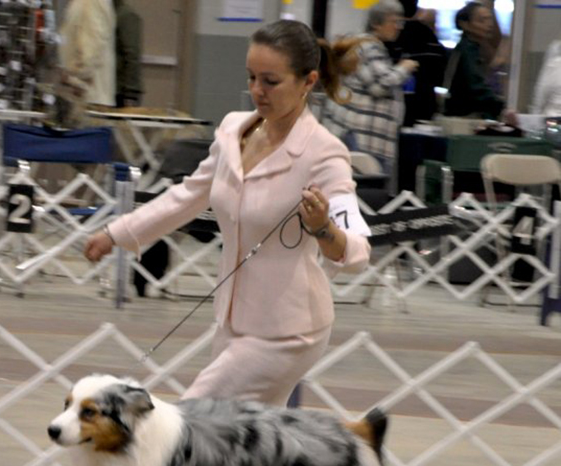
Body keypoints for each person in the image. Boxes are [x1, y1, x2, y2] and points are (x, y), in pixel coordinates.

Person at [85, 19, 372, 409]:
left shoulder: (325, 152)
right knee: (245, 441)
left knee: (193, 421)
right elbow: (186, 197)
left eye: (271, 81)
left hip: (288, 331)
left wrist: (323, 229)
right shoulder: (233, 130)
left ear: (308, 81)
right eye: (252, 77)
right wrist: (117, 233)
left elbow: (357, 253)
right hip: (232, 322)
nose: (257, 90)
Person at [321, 1, 418, 175]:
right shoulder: (369, 47)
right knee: (366, 187)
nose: (399, 27)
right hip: (362, 139)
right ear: (376, 23)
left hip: (358, 136)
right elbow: (380, 86)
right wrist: (404, 67)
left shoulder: (363, 45)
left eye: (401, 22)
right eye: (394, 21)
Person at [389, 0, 447, 126]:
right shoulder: (427, 35)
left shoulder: (389, 37)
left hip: (392, 107)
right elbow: (441, 74)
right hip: (424, 106)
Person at [444, 2, 505, 119]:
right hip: (464, 117)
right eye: (482, 20)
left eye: (490, 19)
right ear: (465, 24)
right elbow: (476, 87)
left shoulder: (473, 49)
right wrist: (502, 107)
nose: (489, 25)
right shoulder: (467, 51)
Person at [59, 0, 116, 107]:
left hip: (88, 97)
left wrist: (74, 76)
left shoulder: (92, 2)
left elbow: (92, 48)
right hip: (79, 95)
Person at [113, 0, 143, 107]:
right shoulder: (105, 14)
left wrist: (131, 92)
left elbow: (132, 55)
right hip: (108, 87)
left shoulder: (125, 15)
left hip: (120, 90)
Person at [532, 39, 561, 118]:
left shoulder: (554, 65)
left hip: (553, 118)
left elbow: (540, 97)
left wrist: (535, 115)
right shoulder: (555, 65)